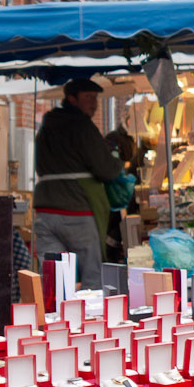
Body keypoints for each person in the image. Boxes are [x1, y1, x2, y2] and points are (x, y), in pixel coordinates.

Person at [32, 77, 123, 288]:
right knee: (93, 277)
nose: (94, 103)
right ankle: (93, 319)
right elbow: (106, 170)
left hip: (45, 212)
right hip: (76, 212)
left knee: (54, 280)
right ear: (72, 99)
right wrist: (116, 161)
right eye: (88, 97)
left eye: (95, 97)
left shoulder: (45, 128)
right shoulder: (83, 126)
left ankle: (53, 319)